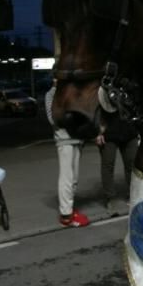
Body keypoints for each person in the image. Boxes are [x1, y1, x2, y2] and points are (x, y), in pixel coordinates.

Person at [45, 83, 90, 228]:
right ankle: (66, 215)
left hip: (77, 138)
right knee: (67, 177)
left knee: (74, 177)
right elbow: (52, 119)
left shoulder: (73, 91)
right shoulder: (51, 94)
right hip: (64, 139)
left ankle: (69, 209)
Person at [94, 107, 138, 217]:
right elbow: (97, 109)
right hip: (108, 133)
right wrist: (98, 132)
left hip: (129, 132)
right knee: (108, 165)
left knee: (132, 165)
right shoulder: (103, 90)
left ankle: (132, 195)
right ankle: (110, 198)